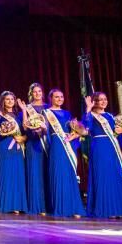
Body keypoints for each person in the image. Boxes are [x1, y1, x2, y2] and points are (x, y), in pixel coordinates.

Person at [83, 92, 122, 219]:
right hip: (99, 146)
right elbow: (86, 128)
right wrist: (88, 109)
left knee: (114, 175)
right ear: (94, 102)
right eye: (99, 100)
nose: (103, 102)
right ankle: (104, 209)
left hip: (112, 148)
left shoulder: (110, 116)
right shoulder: (91, 115)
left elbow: (118, 135)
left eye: (105, 99)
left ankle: (118, 209)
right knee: (102, 175)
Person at [44, 88, 83, 218]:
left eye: (61, 96)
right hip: (56, 143)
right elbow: (44, 131)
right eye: (56, 97)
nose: (60, 99)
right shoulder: (46, 113)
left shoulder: (67, 113)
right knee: (58, 172)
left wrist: (75, 134)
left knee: (69, 173)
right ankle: (61, 207)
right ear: (51, 98)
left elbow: (77, 129)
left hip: (68, 143)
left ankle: (74, 207)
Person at [0, 91, 26, 214]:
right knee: (5, 175)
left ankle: (17, 205)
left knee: (17, 175)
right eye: (7, 99)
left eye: (12, 99)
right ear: (3, 101)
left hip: (17, 146)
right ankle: (5, 205)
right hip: (4, 147)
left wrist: (23, 138)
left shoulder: (19, 114)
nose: (10, 101)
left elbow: (25, 130)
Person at [22, 83, 49, 215]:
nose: (37, 93)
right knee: (35, 173)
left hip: (47, 144)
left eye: (39, 91)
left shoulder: (48, 107)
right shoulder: (27, 108)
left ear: (42, 93)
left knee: (47, 173)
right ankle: (37, 206)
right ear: (31, 94)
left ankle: (49, 205)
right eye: (35, 92)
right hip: (33, 144)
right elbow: (25, 127)